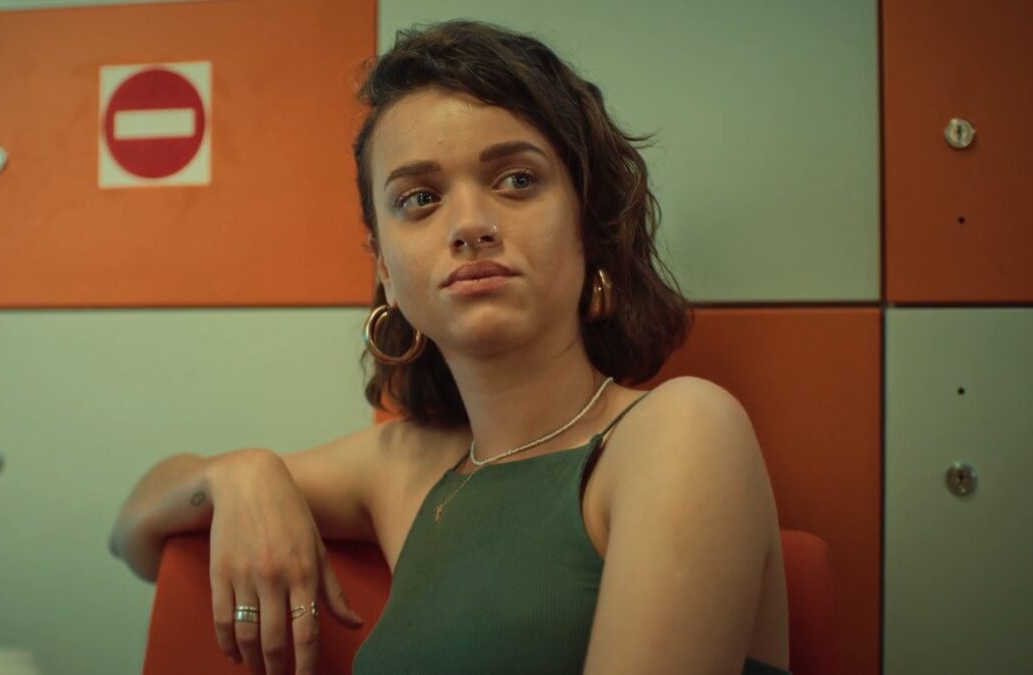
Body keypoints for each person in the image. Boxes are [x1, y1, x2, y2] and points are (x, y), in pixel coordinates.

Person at [110, 20, 790, 675]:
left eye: (517, 179)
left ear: (587, 222)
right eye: (420, 198)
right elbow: (133, 532)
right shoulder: (405, 467)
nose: (470, 225)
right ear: (384, 267)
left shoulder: (681, 430)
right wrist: (239, 474)